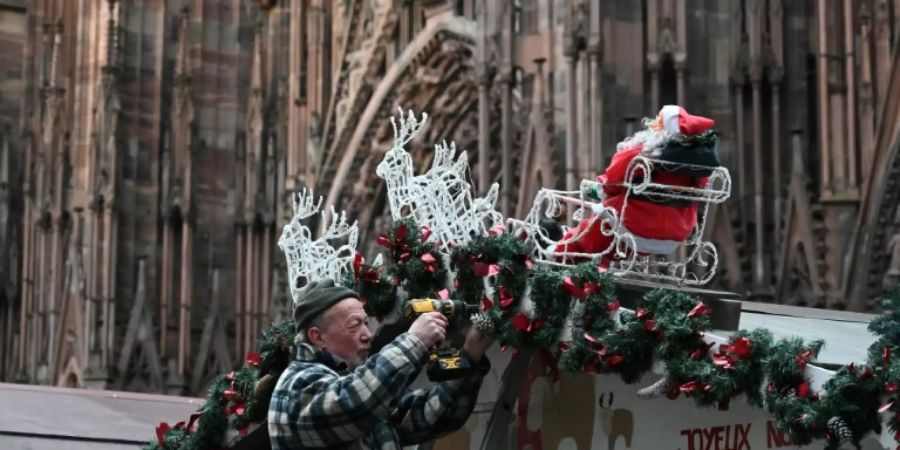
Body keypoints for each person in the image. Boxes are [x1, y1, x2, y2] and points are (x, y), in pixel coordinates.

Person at [269, 279, 494, 450]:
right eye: (355, 325)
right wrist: (415, 340)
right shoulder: (296, 384)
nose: (368, 335)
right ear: (318, 338)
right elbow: (353, 404)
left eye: (367, 324)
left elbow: (431, 417)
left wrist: (470, 354)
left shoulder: (365, 391)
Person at [555, 105, 720, 265]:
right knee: (613, 244)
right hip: (675, 233)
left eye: (658, 121)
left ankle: (555, 257)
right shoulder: (697, 168)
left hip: (632, 224)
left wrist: (601, 189)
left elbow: (613, 179)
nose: (653, 124)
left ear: (662, 128)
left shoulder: (643, 154)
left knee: (581, 239)